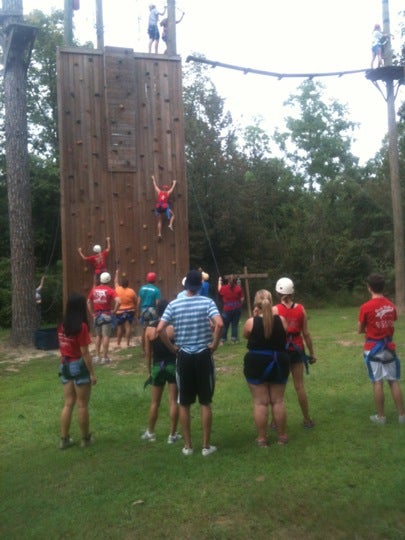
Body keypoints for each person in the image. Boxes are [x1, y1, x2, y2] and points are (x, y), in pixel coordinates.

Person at [157, 269, 223, 456]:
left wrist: (172, 348)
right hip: (203, 354)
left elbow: (160, 329)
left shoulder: (174, 305)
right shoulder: (207, 302)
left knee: (184, 402)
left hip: (183, 355)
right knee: (205, 401)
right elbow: (219, 323)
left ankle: (187, 446)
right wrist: (214, 344)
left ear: (185, 285)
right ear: (200, 286)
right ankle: (206, 446)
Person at [243, 289, 290, 447]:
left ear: (257, 304)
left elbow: (246, 335)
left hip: (256, 363)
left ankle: (262, 438)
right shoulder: (282, 320)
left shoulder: (251, 322)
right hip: (279, 362)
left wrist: (256, 317)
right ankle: (282, 436)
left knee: (260, 403)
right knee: (278, 401)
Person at [358, 273, 405, 425]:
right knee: (393, 381)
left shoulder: (365, 307)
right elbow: (391, 322)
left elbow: (360, 329)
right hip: (389, 348)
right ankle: (402, 416)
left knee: (377, 382)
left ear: (369, 288)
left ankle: (381, 417)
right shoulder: (391, 305)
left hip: (373, 348)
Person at [273, 277, 316, 429]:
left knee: (278, 388)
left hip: (282, 351)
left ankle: (274, 421)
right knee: (299, 386)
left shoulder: (275, 310)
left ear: (278, 292)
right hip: (297, 349)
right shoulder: (301, 309)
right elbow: (306, 334)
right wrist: (312, 353)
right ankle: (307, 419)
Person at [57, 293, 96, 450]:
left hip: (64, 364)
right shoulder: (82, 327)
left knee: (68, 403)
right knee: (82, 405)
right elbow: (85, 353)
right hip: (78, 365)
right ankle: (85, 439)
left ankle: (64, 439)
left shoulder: (61, 324)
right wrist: (92, 373)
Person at [141, 299, 182, 444]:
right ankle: (172, 435)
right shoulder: (173, 328)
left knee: (154, 402)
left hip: (157, 367)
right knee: (173, 401)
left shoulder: (149, 330)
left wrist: (149, 371)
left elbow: (147, 353)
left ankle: (150, 432)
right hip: (172, 366)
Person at [87, 272, 120, 364]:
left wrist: (92, 313)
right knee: (106, 336)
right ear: (109, 280)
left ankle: (97, 356)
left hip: (97, 316)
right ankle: (104, 357)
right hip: (106, 315)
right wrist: (114, 311)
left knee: (98, 336)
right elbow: (119, 301)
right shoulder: (110, 290)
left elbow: (88, 301)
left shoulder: (94, 290)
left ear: (100, 280)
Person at [137, 272, 161, 354]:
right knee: (153, 330)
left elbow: (138, 302)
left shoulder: (142, 289)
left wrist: (138, 313)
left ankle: (143, 350)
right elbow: (157, 303)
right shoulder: (156, 290)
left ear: (147, 279)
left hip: (143, 310)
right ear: (155, 280)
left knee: (144, 330)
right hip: (152, 311)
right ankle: (152, 350)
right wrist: (158, 314)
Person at [218, 275, 244, 344]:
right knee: (234, 325)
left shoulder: (224, 288)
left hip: (227, 309)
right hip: (236, 309)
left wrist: (219, 281)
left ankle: (222, 341)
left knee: (225, 325)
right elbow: (242, 299)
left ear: (228, 281)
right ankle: (233, 340)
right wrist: (239, 304)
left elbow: (219, 289)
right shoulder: (238, 288)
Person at [114, 268, 137, 348]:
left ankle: (118, 344)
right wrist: (135, 309)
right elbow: (135, 301)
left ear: (121, 284)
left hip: (119, 311)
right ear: (128, 284)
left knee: (119, 328)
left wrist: (117, 273)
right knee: (128, 327)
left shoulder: (117, 289)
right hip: (129, 311)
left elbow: (115, 282)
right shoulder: (131, 291)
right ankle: (127, 344)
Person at [152, 174, 176, 239]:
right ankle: (170, 224)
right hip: (164, 208)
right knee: (173, 215)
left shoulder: (159, 192)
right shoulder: (167, 193)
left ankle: (159, 234)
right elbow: (172, 188)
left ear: (163, 188)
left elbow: (155, 185)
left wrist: (153, 179)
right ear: (167, 189)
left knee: (159, 221)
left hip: (159, 207)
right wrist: (174, 183)